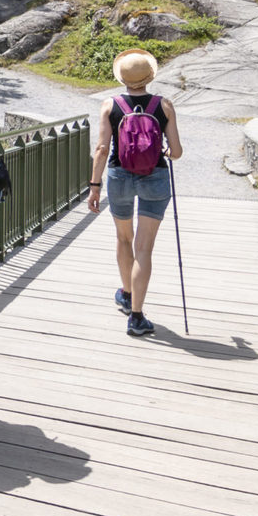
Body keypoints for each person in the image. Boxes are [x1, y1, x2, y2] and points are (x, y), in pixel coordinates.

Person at [86, 48, 183, 336]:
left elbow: (102, 149)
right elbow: (175, 152)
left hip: (119, 176)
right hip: (155, 177)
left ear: (122, 77)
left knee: (123, 238)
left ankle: (126, 295)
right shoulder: (163, 105)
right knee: (144, 248)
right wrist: (163, 150)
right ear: (150, 76)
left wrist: (94, 186)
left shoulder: (109, 105)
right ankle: (137, 317)